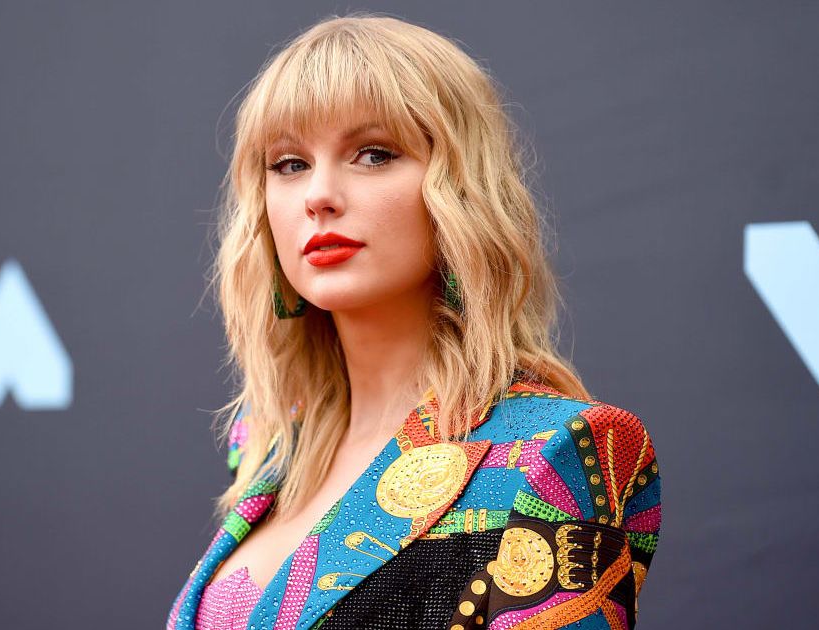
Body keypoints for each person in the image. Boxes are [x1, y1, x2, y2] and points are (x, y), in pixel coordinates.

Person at [168, 12, 662, 630]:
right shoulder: (267, 445)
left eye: (373, 154)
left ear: (460, 189)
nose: (318, 194)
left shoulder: (559, 452)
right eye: (290, 164)